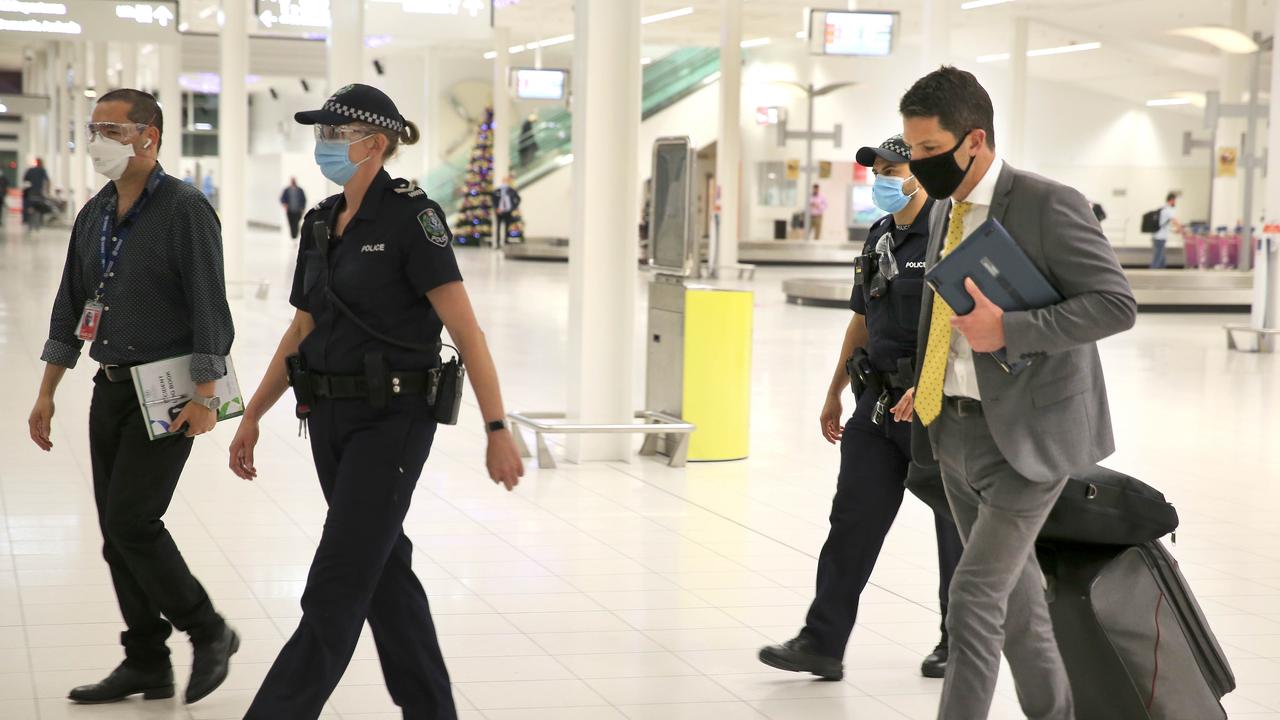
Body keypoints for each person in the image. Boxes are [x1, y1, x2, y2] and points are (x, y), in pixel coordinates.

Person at [227, 83, 524, 720]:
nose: (325, 144)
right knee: (384, 571)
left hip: (393, 421)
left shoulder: (413, 219)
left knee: (336, 583)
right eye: (322, 133)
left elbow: (466, 330)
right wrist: (253, 413)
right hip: (328, 419)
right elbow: (301, 330)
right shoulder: (318, 221)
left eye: (337, 134)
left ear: (376, 143)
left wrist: (496, 426)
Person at [900, 66, 1136, 720]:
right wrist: (924, 386)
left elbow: (1116, 305)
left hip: (1031, 440)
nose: (917, 164)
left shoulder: (1047, 203)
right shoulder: (946, 210)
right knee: (1018, 606)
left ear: (973, 140)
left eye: (927, 149)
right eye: (910, 148)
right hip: (953, 434)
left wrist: (1012, 329)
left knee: (973, 595)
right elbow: (944, 314)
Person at [27, 88, 238, 706]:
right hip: (111, 386)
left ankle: (208, 629)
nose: (99, 141)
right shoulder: (94, 213)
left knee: (132, 520)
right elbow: (71, 304)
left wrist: (205, 394)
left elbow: (210, 308)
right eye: (94, 129)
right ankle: (146, 660)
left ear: (150, 136)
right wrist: (47, 391)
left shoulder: (185, 209)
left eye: (112, 130)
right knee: (114, 534)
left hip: (169, 388)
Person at [759, 134, 964, 682]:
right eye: (877, 170)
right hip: (875, 405)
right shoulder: (879, 238)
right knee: (852, 518)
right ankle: (821, 642)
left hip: (934, 408)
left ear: (917, 173)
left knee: (954, 527)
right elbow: (861, 319)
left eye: (891, 168)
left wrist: (924, 385)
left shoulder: (948, 236)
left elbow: (961, 324)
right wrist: (833, 390)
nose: (882, 178)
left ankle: (957, 642)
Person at [1151, 191, 1182, 269]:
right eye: (1175, 200)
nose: (1175, 202)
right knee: (1158, 257)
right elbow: (1175, 221)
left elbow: (1165, 224)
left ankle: (1161, 271)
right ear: (1171, 200)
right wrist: (1181, 229)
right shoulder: (1168, 209)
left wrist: (1175, 230)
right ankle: (1153, 272)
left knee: (1161, 257)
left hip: (1156, 235)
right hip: (1160, 237)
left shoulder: (1162, 208)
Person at [492, 174, 520, 245]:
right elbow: (493, 201)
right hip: (499, 212)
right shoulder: (497, 191)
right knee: (498, 227)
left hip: (508, 211)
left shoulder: (512, 191)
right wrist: (496, 208)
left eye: (506, 181)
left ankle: (506, 242)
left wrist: (513, 207)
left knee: (507, 227)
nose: (505, 182)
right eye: (504, 180)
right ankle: (497, 243)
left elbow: (518, 199)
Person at [23, 157, 50, 231]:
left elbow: (25, 179)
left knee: (30, 210)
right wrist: (47, 191)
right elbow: (47, 180)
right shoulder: (42, 170)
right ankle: (37, 226)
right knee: (38, 210)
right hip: (39, 194)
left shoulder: (30, 170)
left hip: (31, 193)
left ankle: (30, 226)